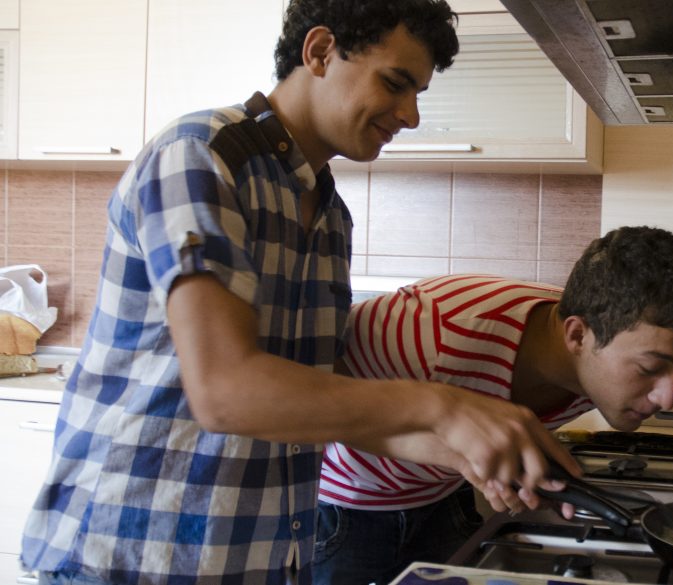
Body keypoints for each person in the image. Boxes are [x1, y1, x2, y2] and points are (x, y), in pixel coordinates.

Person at [20, 2, 578, 584]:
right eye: (395, 83)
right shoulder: (200, 156)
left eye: (419, 92)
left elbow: (324, 403)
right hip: (131, 555)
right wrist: (445, 404)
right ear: (318, 52)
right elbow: (225, 392)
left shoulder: (329, 214)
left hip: (254, 562)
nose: (411, 115)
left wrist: (473, 458)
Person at [312, 225, 673, 585]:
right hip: (347, 510)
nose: (668, 398)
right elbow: (321, 400)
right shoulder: (433, 332)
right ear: (577, 337)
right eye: (651, 368)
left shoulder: (600, 349)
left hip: (441, 498)